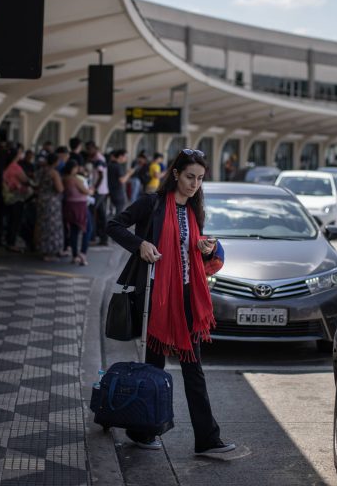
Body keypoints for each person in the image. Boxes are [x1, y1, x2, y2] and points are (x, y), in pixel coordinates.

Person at [106, 149, 236, 455]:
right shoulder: (152, 204)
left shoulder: (195, 209)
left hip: (188, 297)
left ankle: (207, 439)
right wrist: (140, 245)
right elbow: (113, 225)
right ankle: (143, 431)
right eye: (190, 177)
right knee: (154, 368)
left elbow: (192, 250)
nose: (194, 184)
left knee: (194, 370)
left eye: (201, 179)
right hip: (157, 298)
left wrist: (204, 248)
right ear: (176, 174)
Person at [62, 159, 93, 265]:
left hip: (69, 205)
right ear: (73, 168)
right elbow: (86, 191)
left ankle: (74, 255)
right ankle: (83, 253)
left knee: (74, 231)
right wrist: (91, 190)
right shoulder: (75, 179)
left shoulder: (64, 178)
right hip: (80, 206)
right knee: (87, 229)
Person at [2, 146, 33, 252]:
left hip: (9, 197)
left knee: (11, 220)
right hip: (17, 197)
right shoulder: (15, 167)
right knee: (15, 221)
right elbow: (25, 180)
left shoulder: (7, 166)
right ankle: (12, 243)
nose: (22, 155)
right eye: (20, 153)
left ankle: (9, 241)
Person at [35, 152, 65, 262]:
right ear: (55, 162)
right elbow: (60, 189)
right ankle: (50, 252)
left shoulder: (41, 171)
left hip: (41, 200)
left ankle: (44, 249)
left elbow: (36, 184)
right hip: (52, 202)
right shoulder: (54, 173)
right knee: (52, 227)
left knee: (43, 225)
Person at [107, 149, 134, 215]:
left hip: (111, 191)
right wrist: (129, 173)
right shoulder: (118, 166)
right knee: (119, 212)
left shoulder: (110, 165)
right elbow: (122, 180)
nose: (126, 159)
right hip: (118, 192)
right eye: (125, 157)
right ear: (120, 156)